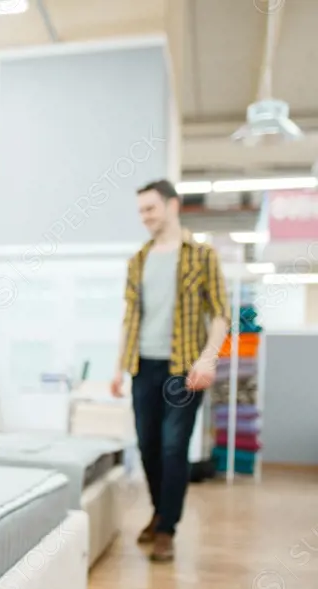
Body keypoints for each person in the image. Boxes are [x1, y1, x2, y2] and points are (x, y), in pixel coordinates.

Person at [110, 179, 230, 563]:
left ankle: (166, 530)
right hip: (142, 366)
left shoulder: (202, 255)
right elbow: (130, 318)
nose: (145, 217)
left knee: (174, 447)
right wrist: (117, 368)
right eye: (141, 211)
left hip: (184, 369)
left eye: (151, 209)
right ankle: (160, 510)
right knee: (147, 446)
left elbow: (221, 314)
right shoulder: (138, 260)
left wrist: (208, 357)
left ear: (172, 206)